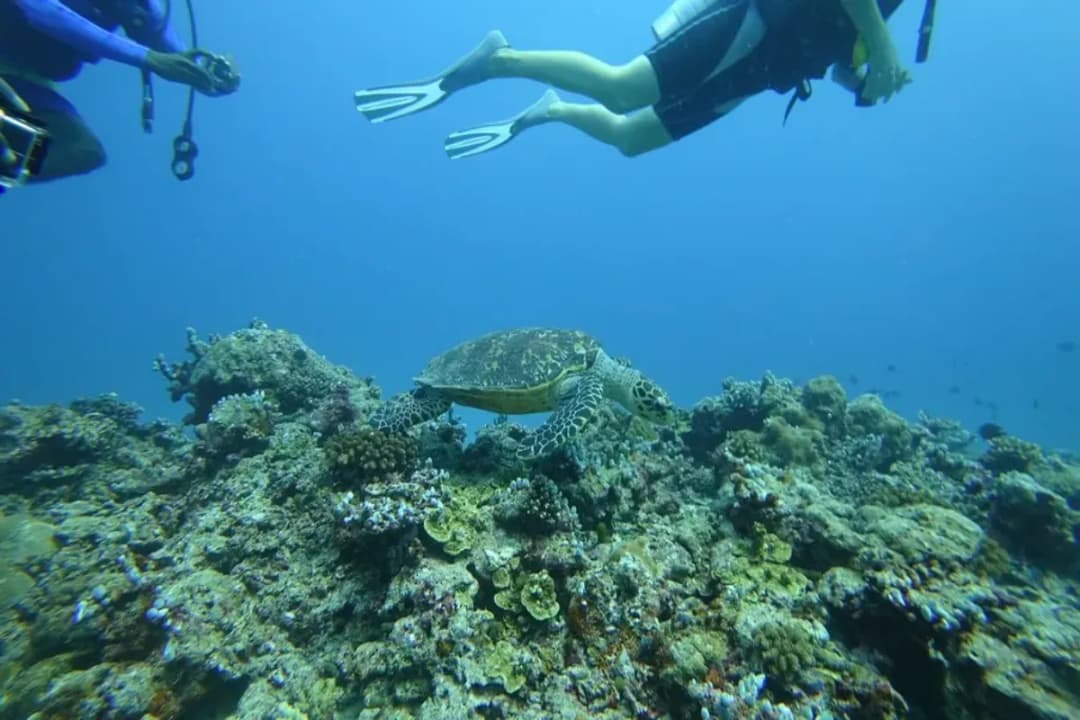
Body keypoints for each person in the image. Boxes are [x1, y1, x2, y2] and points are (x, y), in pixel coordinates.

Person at [354, 0, 928, 160]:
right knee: (623, 87)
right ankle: (500, 58)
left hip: (761, 73)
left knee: (631, 140)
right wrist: (882, 42)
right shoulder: (892, 20)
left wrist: (863, 81)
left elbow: (836, 53)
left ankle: (548, 110)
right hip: (748, 22)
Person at [0, 0, 240, 184]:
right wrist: (148, 58)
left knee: (81, 151)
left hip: (26, 83)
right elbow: (41, 11)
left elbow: (155, 30)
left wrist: (204, 74)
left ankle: (7, 170)